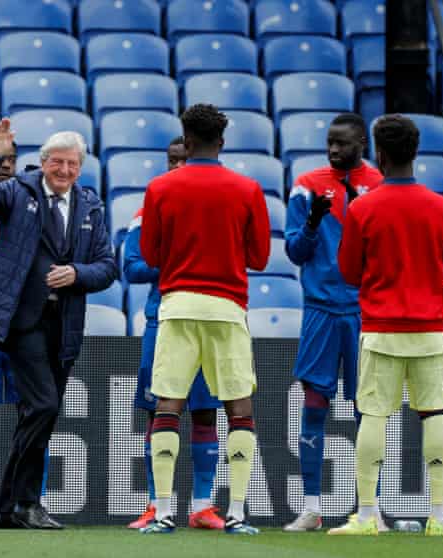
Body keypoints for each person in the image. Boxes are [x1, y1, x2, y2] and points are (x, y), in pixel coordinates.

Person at [0, 121, 117, 529]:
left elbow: (107, 267)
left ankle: (11, 508)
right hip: (21, 320)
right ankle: (24, 502)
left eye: (72, 164)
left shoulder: (90, 205)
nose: (64, 170)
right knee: (44, 406)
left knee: (39, 412)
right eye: (57, 162)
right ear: (44, 162)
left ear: (80, 168)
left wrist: (77, 274)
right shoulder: (18, 191)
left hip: (64, 324)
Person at [138, 104, 270, 535]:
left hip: (178, 305)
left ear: (187, 140)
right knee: (239, 408)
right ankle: (237, 513)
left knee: (168, 404)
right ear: (222, 142)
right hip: (227, 308)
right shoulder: (248, 189)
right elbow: (260, 258)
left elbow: (150, 254)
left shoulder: (160, 187)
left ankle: (162, 512)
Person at [332, 114, 443, 536]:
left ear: (380, 155)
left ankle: (367, 515)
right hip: (429, 329)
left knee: (373, 415)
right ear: (415, 152)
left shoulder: (362, 207)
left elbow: (348, 271)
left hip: (381, 328)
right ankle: (439, 516)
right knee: (436, 413)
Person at [282, 113, 385, 532]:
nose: (333, 150)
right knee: (314, 405)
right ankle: (311, 507)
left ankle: (370, 509)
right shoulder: (306, 185)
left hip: (364, 311)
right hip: (320, 309)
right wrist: (311, 224)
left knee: (368, 411)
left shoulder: (380, 186)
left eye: (341, 143)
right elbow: (294, 251)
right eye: (329, 142)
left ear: (362, 142)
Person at [123, 136, 224, 531]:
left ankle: (202, 506)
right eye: (172, 160)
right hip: (163, 321)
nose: (178, 167)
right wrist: (175, 260)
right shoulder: (148, 211)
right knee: (159, 413)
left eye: (185, 159)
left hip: (207, 320)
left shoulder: (214, 211)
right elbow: (132, 267)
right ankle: (156, 504)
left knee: (205, 413)